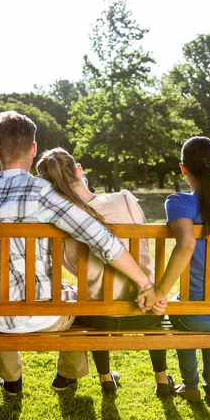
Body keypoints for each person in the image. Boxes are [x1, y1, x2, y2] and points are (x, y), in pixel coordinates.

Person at [0, 111, 159, 397]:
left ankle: (11, 380)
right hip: (46, 317)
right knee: (74, 296)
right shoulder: (46, 194)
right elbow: (101, 239)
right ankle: (67, 375)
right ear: (33, 149)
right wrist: (145, 283)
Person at [36, 147, 173, 397]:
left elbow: (73, 267)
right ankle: (162, 380)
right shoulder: (125, 200)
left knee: (88, 295)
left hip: (100, 318)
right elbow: (143, 246)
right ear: (79, 170)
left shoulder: (66, 224)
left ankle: (106, 377)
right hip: (145, 309)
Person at [137, 136, 210, 406]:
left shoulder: (179, 203)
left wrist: (160, 291)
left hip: (194, 318)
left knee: (183, 312)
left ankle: (191, 386)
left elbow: (186, 243)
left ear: (183, 169)